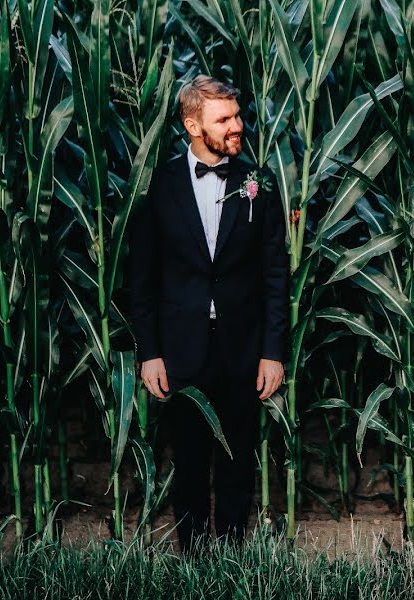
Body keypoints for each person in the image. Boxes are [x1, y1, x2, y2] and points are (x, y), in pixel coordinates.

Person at [127, 75, 289, 551]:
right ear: (193, 124)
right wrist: (150, 352)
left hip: (243, 346)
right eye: (225, 119)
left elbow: (275, 276)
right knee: (190, 460)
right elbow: (143, 278)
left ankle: (234, 555)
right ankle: (194, 557)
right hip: (182, 348)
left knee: (239, 457)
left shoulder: (258, 183)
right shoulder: (160, 184)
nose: (237, 125)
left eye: (237, 115)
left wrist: (273, 352)